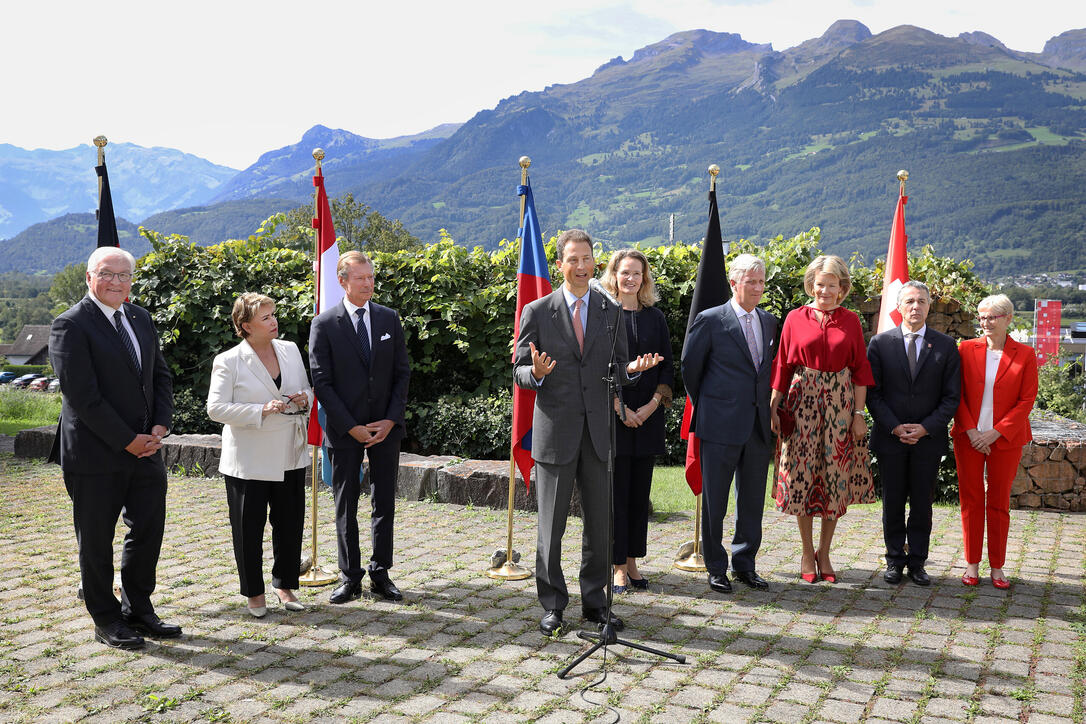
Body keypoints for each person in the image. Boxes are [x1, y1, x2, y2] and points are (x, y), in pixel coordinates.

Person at [513, 230, 661, 636]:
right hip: (555, 435)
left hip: (599, 434)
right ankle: (553, 605)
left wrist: (630, 372)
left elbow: (613, 372)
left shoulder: (608, 310)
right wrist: (536, 372)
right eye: (573, 259)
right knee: (551, 528)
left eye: (588, 259)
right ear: (560, 263)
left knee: (600, 525)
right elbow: (518, 371)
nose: (582, 267)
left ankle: (596, 604)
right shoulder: (538, 311)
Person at [48, 246, 178, 649]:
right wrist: (127, 440)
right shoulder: (70, 325)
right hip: (95, 453)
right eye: (107, 274)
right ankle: (105, 618)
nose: (116, 282)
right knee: (97, 539)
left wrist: (160, 424)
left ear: (132, 281)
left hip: (147, 448)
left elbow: (160, 375)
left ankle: (138, 608)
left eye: (123, 275)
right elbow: (83, 397)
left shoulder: (140, 317)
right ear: (89, 277)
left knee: (148, 530)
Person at [309, 251, 410, 604]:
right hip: (343, 430)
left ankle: (381, 572)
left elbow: (402, 373)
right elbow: (321, 383)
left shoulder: (388, 319)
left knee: (383, 501)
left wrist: (391, 419)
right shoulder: (324, 324)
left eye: (370, 277)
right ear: (342, 281)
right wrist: (350, 426)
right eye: (360, 278)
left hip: (385, 428)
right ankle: (350, 576)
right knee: (345, 503)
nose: (368, 283)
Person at [207, 293, 314, 617]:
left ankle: (285, 584)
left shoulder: (291, 350)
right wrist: (259, 410)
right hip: (249, 459)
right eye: (266, 317)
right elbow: (215, 408)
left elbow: (309, 388)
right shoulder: (229, 361)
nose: (274, 321)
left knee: (290, 524)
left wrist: (304, 398)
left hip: (290, 452)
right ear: (245, 326)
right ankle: (254, 593)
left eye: (274, 314)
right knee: (248, 529)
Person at [770, 255, 875, 584]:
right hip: (801, 405)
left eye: (832, 285)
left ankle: (825, 552)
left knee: (835, 478)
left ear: (842, 288)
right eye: (820, 284)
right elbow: (782, 365)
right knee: (802, 477)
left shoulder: (852, 321)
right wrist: (775, 405)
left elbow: (860, 372)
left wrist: (859, 415)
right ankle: (805, 550)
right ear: (811, 284)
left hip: (840, 406)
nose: (825, 290)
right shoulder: (794, 318)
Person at [683, 254, 777, 594]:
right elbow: (690, 369)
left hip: (757, 426)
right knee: (715, 504)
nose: (756, 287)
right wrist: (715, 404)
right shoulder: (710, 320)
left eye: (761, 281)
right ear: (733, 282)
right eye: (750, 281)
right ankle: (716, 567)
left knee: (752, 502)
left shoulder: (769, 322)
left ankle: (745, 565)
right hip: (719, 424)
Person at [867, 281, 961, 587]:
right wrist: (894, 426)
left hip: (927, 441)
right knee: (892, 502)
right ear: (899, 306)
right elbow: (873, 394)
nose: (915, 306)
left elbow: (951, 397)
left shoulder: (946, 346)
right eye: (909, 301)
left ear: (929, 306)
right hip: (890, 438)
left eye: (921, 301)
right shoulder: (880, 344)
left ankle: (918, 562)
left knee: (922, 503)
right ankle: (894, 560)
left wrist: (925, 427)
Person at [600, 249, 674, 594]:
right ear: (613, 275)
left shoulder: (655, 317)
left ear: (644, 279)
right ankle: (616, 566)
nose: (630, 279)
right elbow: (599, 367)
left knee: (638, 492)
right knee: (617, 494)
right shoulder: (601, 315)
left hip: (648, 417)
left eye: (637, 274)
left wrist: (651, 405)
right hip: (613, 420)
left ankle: (632, 561)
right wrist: (620, 407)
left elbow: (667, 367)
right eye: (624, 272)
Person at [952, 293, 1037, 590]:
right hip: (968, 438)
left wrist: (996, 431)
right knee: (971, 500)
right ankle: (971, 564)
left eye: (992, 317)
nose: (985, 322)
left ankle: (997, 567)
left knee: (998, 503)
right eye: (982, 317)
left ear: (1008, 318)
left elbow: (1026, 400)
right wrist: (972, 431)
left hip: (1005, 440)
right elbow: (955, 394)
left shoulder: (1025, 354)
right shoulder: (964, 349)